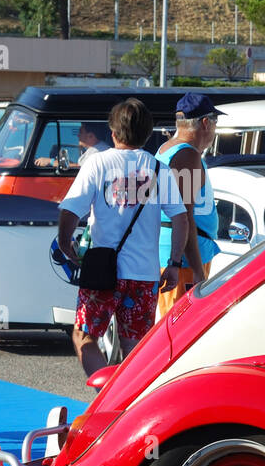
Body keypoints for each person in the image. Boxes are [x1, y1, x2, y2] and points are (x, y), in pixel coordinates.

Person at [56, 99, 189, 376]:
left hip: (102, 272)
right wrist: (174, 263)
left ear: (113, 132)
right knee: (136, 348)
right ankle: (128, 404)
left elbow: (71, 209)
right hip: (144, 274)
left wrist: (65, 241)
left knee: (84, 336)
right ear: (147, 134)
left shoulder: (97, 164)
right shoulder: (158, 169)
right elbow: (180, 218)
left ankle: (106, 395)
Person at [155, 92, 219, 319]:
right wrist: (199, 273)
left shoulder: (167, 149)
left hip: (176, 254)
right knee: (180, 326)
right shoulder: (187, 157)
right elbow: (185, 217)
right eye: (215, 122)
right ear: (204, 123)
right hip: (182, 260)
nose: (215, 129)